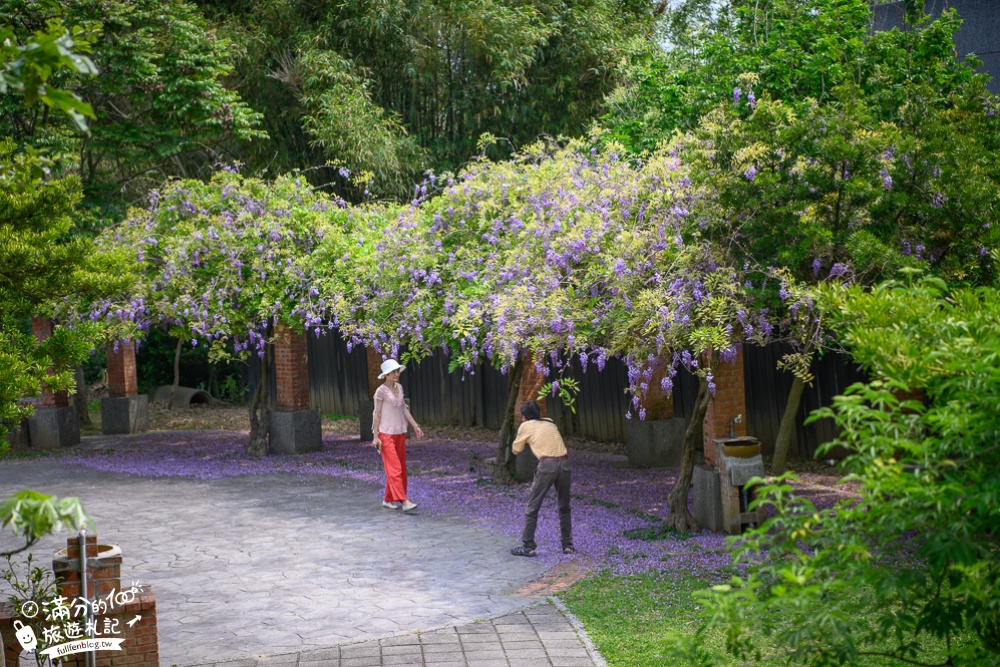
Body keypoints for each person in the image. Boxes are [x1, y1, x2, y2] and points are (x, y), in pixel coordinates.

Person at [509, 401, 575, 556]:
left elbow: (516, 449)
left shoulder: (525, 426)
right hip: (565, 463)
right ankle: (568, 545)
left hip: (547, 466)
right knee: (564, 506)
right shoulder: (550, 422)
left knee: (532, 507)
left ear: (524, 417)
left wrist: (522, 435)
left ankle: (528, 546)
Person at [371, 359, 424, 512]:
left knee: (400, 467)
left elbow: (404, 410)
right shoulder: (380, 392)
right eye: (394, 372)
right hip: (385, 435)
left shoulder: (399, 387)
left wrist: (415, 426)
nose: (397, 374)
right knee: (395, 469)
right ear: (386, 375)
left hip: (400, 433)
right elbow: (376, 414)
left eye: (397, 371)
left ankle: (388, 499)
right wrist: (376, 437)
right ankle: (404, 501)